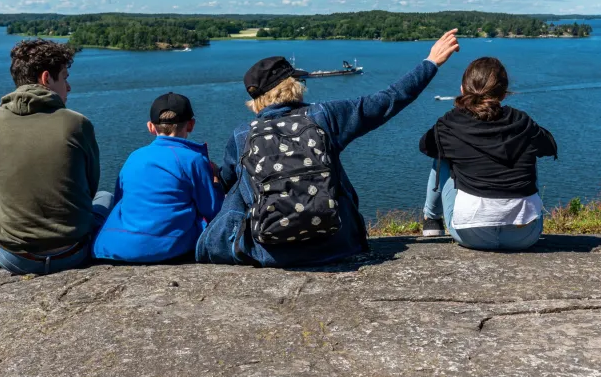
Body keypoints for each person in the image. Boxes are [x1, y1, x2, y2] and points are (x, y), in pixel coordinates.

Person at [196, 29, 460, 267]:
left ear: (256, 100)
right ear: (294, 86)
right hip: (338, 244)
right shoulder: (325, 116)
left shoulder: (243, 134)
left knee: (235, 187)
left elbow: (228, 185)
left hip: (271, 252)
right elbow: (389, 99)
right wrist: (431, 62)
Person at [0, 39, 112, 275]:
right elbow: (90, 186)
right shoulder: (77, 123)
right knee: (106, 196)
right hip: (73, 253)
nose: (69, 86)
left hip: (15, 258)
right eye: (64, 77)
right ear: (46, 79)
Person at [419, 57, 557, 250]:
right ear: (504, 94)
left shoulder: (449, 125)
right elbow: (549, 147)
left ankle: (431, 220)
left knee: (441, 155)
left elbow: (425, 146)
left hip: (470, 234)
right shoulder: (522, 122)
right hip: (525, 234)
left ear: (462, 89)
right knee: (528, 149)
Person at [92, 92, 224, 264]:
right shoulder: (194, 159)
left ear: (151, 127)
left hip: (116, 247)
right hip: (166, 248)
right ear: (191, 125)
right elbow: (212, 210)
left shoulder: (134, 156)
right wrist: (215, 181)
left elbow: (120, 201)